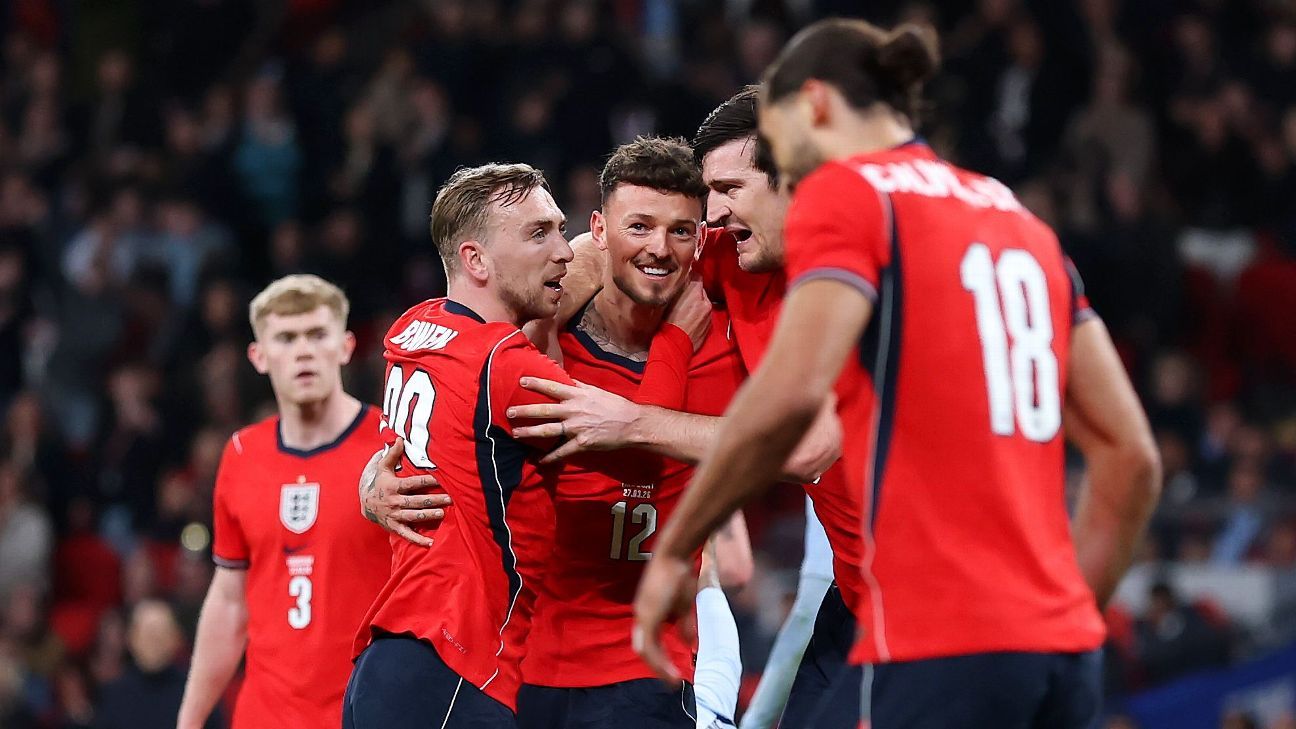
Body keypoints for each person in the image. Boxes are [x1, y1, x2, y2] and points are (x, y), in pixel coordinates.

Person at [634, 19, 1162, 729]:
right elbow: (1132, 459)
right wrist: (1066, 620)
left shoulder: (848, 198)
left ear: (814, 109)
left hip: (933, 629)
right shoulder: (1019, 220)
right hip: (1050, 639)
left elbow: (792, 403)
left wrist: (673, 549)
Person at [361, 139, 753, 728]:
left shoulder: (413, 326)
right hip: (507, 663)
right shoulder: (521, 355)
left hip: (638, 666)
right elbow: (634, 454)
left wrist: (371, 474)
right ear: (601, 231)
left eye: (680, 231)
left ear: (702, 239)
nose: (658, 247)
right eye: (638, 226)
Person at [508, 87, 860, 728]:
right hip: (861, 596)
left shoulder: (854, 281)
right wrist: (537, 323)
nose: (715, 212)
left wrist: (630, 420)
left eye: (727, 187)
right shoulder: (732, 253)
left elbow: (810, 450)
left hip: (935, 597)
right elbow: (606, 250)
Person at [344, 162, 584, 729]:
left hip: (395, 660)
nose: (565, 252)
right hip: (455, 661)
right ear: (475, 259)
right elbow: (631, 436)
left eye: (560, 228)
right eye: (537, 234)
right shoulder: (504, 366)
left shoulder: (412, 328)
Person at [177, 274, 395, 729]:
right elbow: (229, 599)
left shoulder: (391, 445)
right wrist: (191, 719)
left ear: (346, 346)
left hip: (367, 712)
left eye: (317, 334)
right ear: (259, 356)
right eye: (286, 338)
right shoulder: (241, 454)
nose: (303, 351)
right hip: (265, 716)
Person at [101, 600, 220, 729]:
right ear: (131, 639)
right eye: (148, 633)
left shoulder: (198, 693)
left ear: (176, 639)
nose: (154, 642)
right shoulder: (113, 696)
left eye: (161, 633)